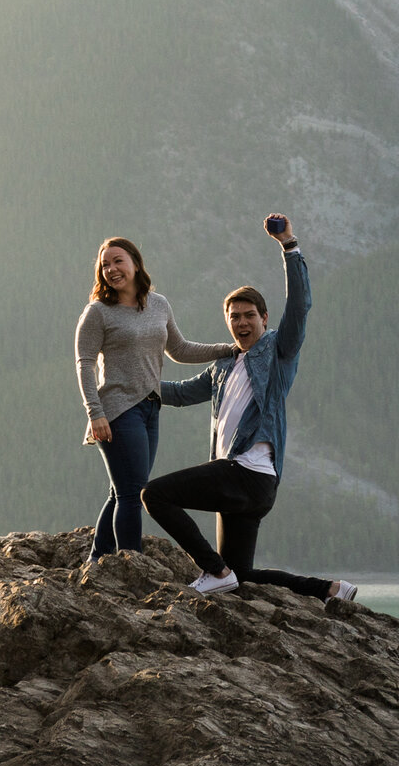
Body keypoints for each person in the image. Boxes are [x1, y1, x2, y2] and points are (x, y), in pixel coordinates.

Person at [142, 213, 358, 601]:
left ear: (264, 318)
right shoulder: (224, 364)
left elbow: (300, 306)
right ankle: (330, 589)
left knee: (154, 495)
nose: (241, 323)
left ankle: (213, 569)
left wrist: (289, 247)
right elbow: (178, 392)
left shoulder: (278, 352)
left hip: (248, 472)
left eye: (248, 316)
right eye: (234, 317)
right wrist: (131, 386)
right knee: (240, 578)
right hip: (246, 484)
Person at [74, 236, 238, 562]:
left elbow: (179, 350)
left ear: (135, 263)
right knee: (133, 493)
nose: (111, 269)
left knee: (121, 491)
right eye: (105, 265)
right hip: (117, 410)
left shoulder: (159, 304)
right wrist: (95, 414)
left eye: (118, 261)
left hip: (151, 407)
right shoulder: (98, 312)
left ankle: (97, 560)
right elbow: (85, 364)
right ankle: (130, 563)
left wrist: (228, 349)